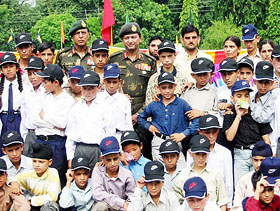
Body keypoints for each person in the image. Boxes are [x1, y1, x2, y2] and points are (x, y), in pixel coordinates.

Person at [108, 22, 156, 160]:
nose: (130, 41)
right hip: (118, 116)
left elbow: (153, 92)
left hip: (143, 117)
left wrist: (138, 115)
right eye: (127, 38)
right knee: (119, 153)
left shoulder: (150, 61)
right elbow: (109, 84)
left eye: (133, 37)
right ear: (122, 40)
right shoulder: (114, 59)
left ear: (140, 38)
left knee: (145, 152)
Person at [138, 72, 199, 166]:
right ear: (158, 88)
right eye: (164, 87)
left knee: (181, 170)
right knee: (160, 170)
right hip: (158, 141)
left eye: (170, 87)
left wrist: (184, 134)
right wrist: (148, 126)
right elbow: (140, 117)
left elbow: (196, 121)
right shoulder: (154, 104)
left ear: (175, 86)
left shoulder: (182, 104)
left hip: (176, 141)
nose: (167, 91)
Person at [31, 64, 75, 186]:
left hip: (56, 143)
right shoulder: (42, 96)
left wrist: (44, 116)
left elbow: (62, 123)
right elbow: (33, 119)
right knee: (39, 176)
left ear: (55, 82)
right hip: (40, 140)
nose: (43, 84)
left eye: (45, 81)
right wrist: (52, 123)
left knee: (56, 176)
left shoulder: (67, 100)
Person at [222, 80, 272, 183]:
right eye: (239, 96)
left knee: (260, 184)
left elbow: (266, 139)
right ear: (232, 98)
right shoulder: (230, 114)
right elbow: (229, 137)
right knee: (241, 185)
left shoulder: (256, 112)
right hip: (240, 155)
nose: (243, 99)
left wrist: (267, 158)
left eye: (246, 96)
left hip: (257, 154)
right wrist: (238, 116)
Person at [66, 71, 115, 170]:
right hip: (80, 148)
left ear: (98, 87)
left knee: (98, 179)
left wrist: (105, 154)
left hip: (97, 149)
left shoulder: (104, 107)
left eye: (91, 88)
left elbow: (110, 132)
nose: (87, 92)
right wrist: (70, 157)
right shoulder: (76, 108)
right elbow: (70, 134)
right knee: (81, 179)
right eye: (84, 88)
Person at [185, 115, 233, 209]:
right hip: (196, 204)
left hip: (217, 204)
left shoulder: (225, 153)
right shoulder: (191, 152)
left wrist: (228, 206)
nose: (211, 136)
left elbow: (228, 182)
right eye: (207, 132)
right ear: (200, 132)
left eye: (214, 132)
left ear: (218, 131)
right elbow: (189, 176)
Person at [172, 134, 229, 210]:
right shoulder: (182, 175)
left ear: (208, 153)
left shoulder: (215, 173)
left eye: (204, 154)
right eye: (197, 154)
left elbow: (222, 202)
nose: (201, 158)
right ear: (190, 153)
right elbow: (175, 202)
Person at [10, 142, 61, 210]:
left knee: (50, 206)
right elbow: (12, 178)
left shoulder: (53, 173)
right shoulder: (30, 173)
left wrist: (31, 201)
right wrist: (13, 182)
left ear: (50, 162)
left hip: (45, 204)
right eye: (34, 161)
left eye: (41, 162)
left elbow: (52, 197)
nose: (37, 165)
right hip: (31, 205)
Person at [91, 136, 135, 211]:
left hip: (122, 209)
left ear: (120, 156)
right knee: (101, 205)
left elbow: (132, 197)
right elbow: (97, 194)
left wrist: (124, 205)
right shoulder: (97, 171)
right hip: (106, 207)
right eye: (108, 160)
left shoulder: (127, 174)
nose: (112, 163)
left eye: (115, 159)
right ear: (102, 159)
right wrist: (121, 202)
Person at [232, 141, 274, 211]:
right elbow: (237, 206)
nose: (258, 164)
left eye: (262, 160)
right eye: (256, 160)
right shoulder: (244, 180)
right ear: (251, 159)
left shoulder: (277, 180)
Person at [145, 40, 187, 106]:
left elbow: (185, 102)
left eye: (169, 56)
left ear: (175, 55)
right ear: (159, 56)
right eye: (163, 57)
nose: (167, 60)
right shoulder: (154, 79)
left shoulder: (182, 78)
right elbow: (148, 103)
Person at [98, 64, 133, 141]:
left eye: (114, 82)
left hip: (119, 135)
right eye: (108, 82)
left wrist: (129, 140)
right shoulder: (98, 98)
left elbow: (128, 124)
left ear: (120, 82)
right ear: (104, 81)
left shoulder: (124, 100)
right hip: (101, 135)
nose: (111, 86)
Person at [20, 56, 46, 156]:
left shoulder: (47, 91)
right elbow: (24, 115)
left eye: (35, 73)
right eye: (30, 74)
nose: (32, 77)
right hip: (29, 134)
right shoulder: (26, 92)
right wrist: (25, 135)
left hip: (43, 133)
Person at [0, 52, 23, 155]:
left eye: (11, 66)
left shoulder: (25, 85)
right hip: (3, 119)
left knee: (18, 148)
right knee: (4, 148)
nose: (8, 69)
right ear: (1, 70)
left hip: (18, 118)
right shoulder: (2, 85)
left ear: (17, 67)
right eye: (5, 67)